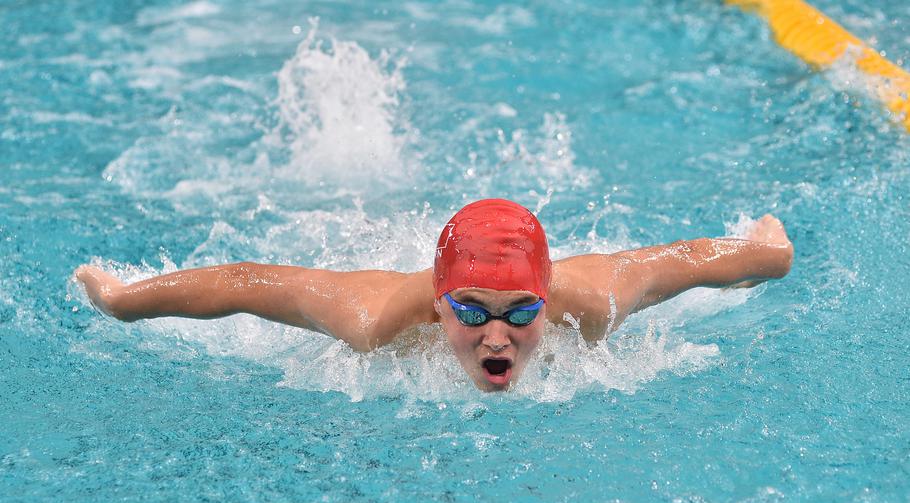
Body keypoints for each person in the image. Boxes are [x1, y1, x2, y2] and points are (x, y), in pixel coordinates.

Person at [75, 199, 793, 392]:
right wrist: (121, 299)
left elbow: (694, 259)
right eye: (472, 313)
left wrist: (768, 248)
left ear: (547, 298)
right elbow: (243, 283)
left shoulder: (594, 299)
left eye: (521, 314)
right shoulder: (375, 318)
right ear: (438, 302)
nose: (496, 337)